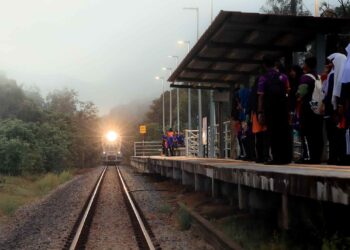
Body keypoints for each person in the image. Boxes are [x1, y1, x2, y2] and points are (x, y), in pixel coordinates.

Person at [257, 55, 292, 164]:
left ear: (264, 65)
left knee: (272, 133)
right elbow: (288, 91)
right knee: (283, 132)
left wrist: (260, 112)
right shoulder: (283, 77)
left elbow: (261, 96)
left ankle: (276, 158)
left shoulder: (263, 79)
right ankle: (285, 158)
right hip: (282, 108)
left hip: (270, 109)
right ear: (275, 64)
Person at [297, 57, 324, 164]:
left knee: (307, 132)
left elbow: (301, 93)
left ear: (307, 65)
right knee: (317, 133)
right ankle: (317, 157)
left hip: (308, 110)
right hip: (318, 109)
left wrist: (297, 95)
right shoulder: (318, 77)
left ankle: (309, 157)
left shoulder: (305, 78)